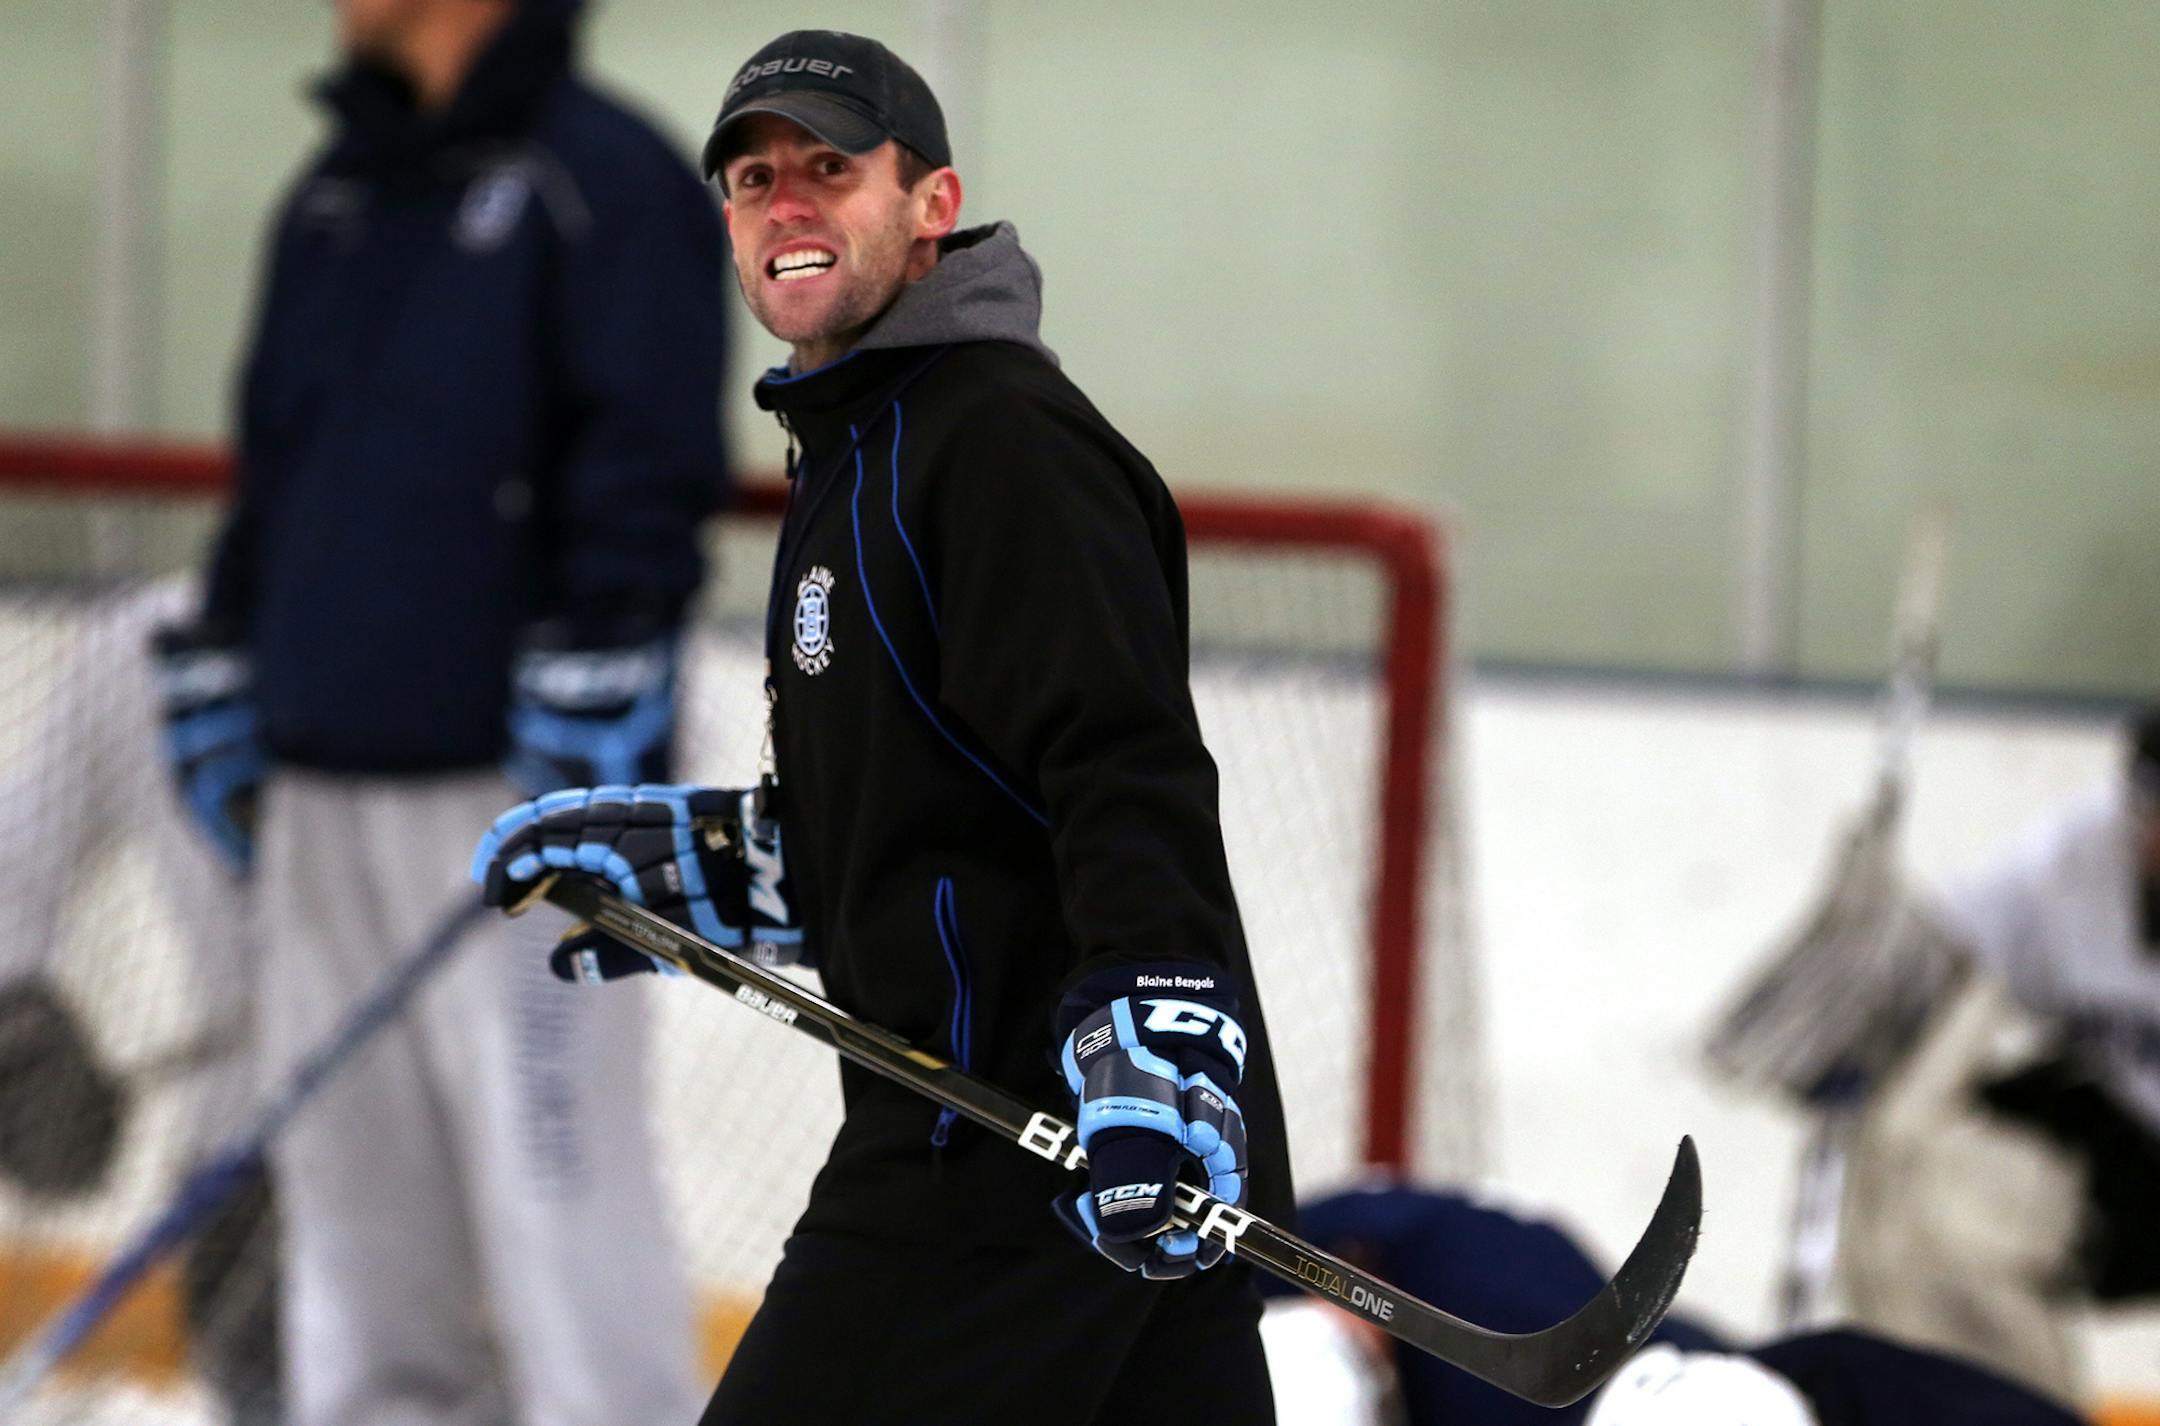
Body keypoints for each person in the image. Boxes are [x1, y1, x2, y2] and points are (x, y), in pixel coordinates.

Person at [472, 29, 1291, 1425]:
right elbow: (942, 808)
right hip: (1061, 1175)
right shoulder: (858, 446)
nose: (786, 201)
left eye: (830, 168)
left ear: (930, 206)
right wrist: (723, 860)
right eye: (751, 178)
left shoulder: (1002, 444)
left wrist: (1153, 1052)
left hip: (1024, 1155)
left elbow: (1123, 764)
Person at [157, 0, 729, 1421]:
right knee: (355, 1228)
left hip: (523, 804)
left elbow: (647, 472)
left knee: (560, 1200)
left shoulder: (603, 180)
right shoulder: (335, 195)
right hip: (322, 784)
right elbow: (278, 462)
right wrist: (229, 658)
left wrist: (601, 703)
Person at [1839, 705, 2160, 1400]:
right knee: (1900, 1187)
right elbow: (1945, 955)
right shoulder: (2076, 856)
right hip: (2123, 1147)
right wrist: (1862, 942)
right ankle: (1959, 1409)